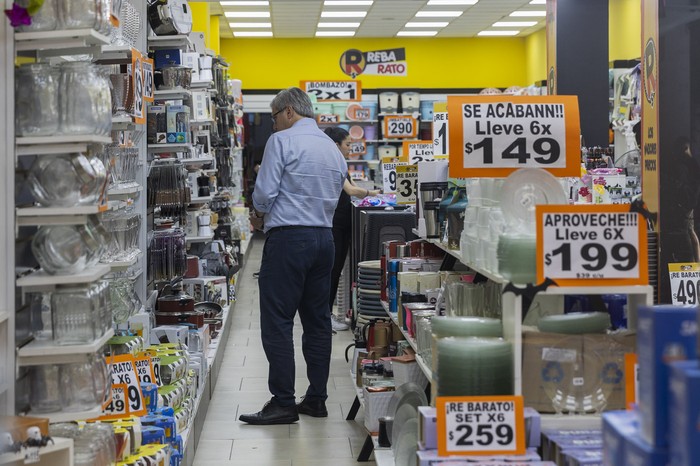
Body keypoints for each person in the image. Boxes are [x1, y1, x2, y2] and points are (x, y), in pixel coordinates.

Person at [239, 87, 347, 425]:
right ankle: (316, 398)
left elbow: (265, 192)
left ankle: (283, 401)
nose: (272, 126)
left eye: (273, 118)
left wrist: (258, 214)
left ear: (288, 112)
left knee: (278, 322)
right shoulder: (332, 149)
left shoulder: (282, 142)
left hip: (288, 240)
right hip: (324, 240)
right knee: (317, 323)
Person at [323, 127, 381, 332]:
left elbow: (353, 185)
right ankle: (325, 316)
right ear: (335, 145)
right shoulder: (331, 162)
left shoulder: (340, 163)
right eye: (347, 144)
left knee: (335, 272)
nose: (350, 148)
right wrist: (373, 192)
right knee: (332, 272)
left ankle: (326, 314)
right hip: (335, 226)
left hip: (342, 225)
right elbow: (350, 190)